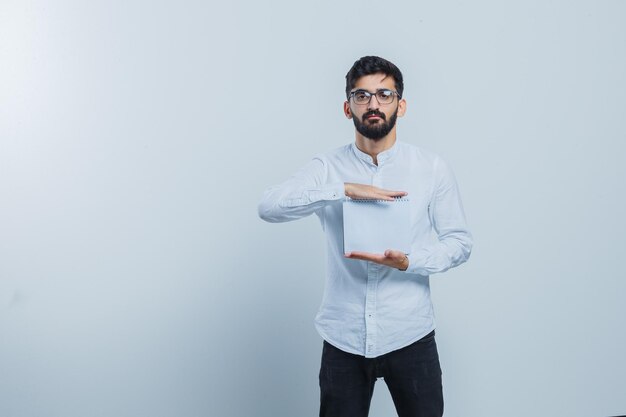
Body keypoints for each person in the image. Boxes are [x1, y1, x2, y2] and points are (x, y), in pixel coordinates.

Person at [257, 56, 472, 417]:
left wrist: (410, 261)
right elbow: (269, 207)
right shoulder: (327, 168)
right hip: (343, 338)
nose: (373, 104)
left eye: (384, 94)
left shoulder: (431, 168)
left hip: (410, 334)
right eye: (362, 95)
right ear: (347, 107)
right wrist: (343, 189)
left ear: (400, 105)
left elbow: (459, 242)